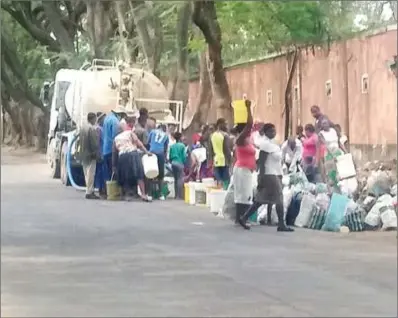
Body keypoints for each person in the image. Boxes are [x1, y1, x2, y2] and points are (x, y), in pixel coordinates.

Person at [238, 123, 294, 232]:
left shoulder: (273, 144)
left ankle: (244, 217)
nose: (273, 133)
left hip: (275, 173)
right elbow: (262, 162)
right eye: (270, 131)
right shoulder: (265, 144)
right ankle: (281, 224)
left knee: (261, 199)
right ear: (266, 132)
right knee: (279, 198)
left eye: (274, 131)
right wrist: (261, 177)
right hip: (269, 174)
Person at [112, 113, 152, 202]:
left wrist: (114, 165)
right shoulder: (130, 133)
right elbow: (139, 143)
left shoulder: (116, 138)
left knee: (125, 176)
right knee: (139, 174)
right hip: (133, 154)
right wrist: (147, 152)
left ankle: (126, 195)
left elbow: (114, 152)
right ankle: (143, 194)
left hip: (122, 156)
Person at [233, 100, 257, 224]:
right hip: (242, 169)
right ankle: (241, 218)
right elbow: (250, 124)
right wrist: (248, 108)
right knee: (244, 194)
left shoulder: (247, 140)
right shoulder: (241, 139)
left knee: (243, 194)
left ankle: (240, 218)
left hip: (244, 169)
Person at [317, 119, 346, 190]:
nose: (325, 125)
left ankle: (341, 189)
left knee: (340, 172)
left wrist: (346, 151)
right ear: (321, 126)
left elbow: (339, 142)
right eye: (323, 124)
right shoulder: (321, 134)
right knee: (331, 173)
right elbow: (326, 145)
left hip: (337, 152)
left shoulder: (333, 131)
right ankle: (332, 190)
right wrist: (333, 156)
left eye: (326, 123)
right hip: (329, 154)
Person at [80, 112, 101, 200]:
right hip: (91, 154)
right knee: (91, 174)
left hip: (83, 153)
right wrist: (97, 153)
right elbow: (94, 143)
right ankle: (89, 192)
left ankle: (88, 190)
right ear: (93, 119)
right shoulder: (92, 129)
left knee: (86, 173)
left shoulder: (83, 128)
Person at [102, 106, 126, 181]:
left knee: (106, 172)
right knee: (113, 171)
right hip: (111, 150)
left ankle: (105, 189)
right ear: (120, 114)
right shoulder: (115, 121)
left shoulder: (107, 118)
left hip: (105, 149)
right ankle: (112, 191)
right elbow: (116, 137)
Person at [148, 123, 169, 200]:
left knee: (150, 172)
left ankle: (149, 194)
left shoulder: (153, 131)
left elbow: (148, 142)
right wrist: (165, 158)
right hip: (160, 154)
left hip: (152, 153)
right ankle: (161, 194)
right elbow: (166, 148)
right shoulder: (166, 135)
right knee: (161, 175)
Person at [209, 118, 231, 188]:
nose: (227, 126)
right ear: (220, 124)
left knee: (219, 180)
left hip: (216, 160)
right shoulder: (225, 135)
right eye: (225, 124)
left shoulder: (212, 135)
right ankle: (224, 195)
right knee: (226, 181)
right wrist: (230, 161)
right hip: (224, 160)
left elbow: (210, 150)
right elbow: (227, 150)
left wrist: (211, 162)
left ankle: (218, 195)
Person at [169, 132, 187, 199]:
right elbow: (184, 157)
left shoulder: (172, 146)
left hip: (173, 163)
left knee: (175, 179)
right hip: (179, 163)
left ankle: (175, 195)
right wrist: (184, 163)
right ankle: (179, 196)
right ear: (180, 138)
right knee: (180, 179)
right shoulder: (182, 145)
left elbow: (170, 156)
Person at [94, 112, 106, 198]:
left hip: (103, 152)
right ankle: (99, 189)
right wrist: (98, 153)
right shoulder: (98, 129)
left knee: (102, 172)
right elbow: (97, 142)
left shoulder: (102, 128)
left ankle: (102, 189)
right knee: (99, 172)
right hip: (100, 153)